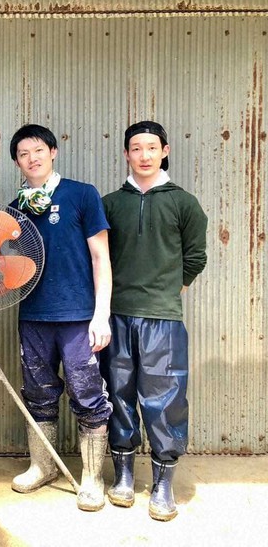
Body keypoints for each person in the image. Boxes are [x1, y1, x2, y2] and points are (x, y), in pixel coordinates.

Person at [100, 121, 208, 521]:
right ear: (126, 154)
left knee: (165, 398)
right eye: (135, 148)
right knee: (119, 392)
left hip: (163, 318)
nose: (143, 155)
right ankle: (124, 474)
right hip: (117, 315)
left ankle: (163, 483)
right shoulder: (111, 204)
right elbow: (100, 259)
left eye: (151, 148)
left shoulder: (184, 203)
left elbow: (196, 256)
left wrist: (168, 293)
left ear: (164, 151)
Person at [8, 124, 113, 511]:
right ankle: (43, 466)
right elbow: (13, 265)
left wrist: (101, 315)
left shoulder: (81, 194)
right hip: (33, 314)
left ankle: (92, 477)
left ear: (53, 152)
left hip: (78, 316)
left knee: (87, 394)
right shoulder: (15, 207)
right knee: (37, 392)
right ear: (17, 162)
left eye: (38, 150)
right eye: (23, 154)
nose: (32, 158)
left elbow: (101, 257)